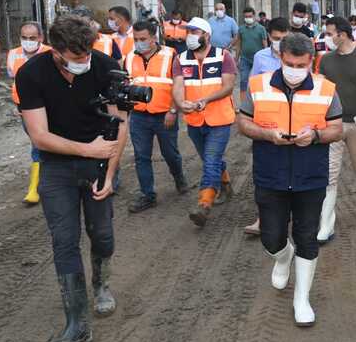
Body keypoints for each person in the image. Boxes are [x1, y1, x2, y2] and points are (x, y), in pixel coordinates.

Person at [16, 14, 127, 342]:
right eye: (78, 58)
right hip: (57, 167)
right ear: (56, 52)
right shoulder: (31, 74)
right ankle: (76, 323)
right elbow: (39, 136)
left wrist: (109, 173)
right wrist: (85, 148)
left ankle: (101, 284)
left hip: (98, 163)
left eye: (88, 54)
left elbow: (120, 122)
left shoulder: (106, 65)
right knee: (64, 240)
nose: (85, 62)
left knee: (102, 233)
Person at [238, 33, 344, 325]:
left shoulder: (326, 89)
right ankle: (282, 257)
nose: (294, 69)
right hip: (270, 174)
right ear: (279, 59)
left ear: (312, 61)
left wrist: (317, 135)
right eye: (288, 63)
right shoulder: (258, 85)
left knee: (307, 236)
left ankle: (302, 299)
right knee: (272, 236)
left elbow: (338, 129)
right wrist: (266, 134)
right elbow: (243, 122)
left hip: (310, 176)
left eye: (301, 64)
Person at [316, 16, 356, 242]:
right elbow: (321, 90)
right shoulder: (325, 60)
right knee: (329, 174)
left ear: (342, 34)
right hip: (332, 123)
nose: (327, 37)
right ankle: (326, 224)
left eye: (329, 33)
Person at [171, 17, 237, 226]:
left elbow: (228, 86)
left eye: (194, 32)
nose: (190, 36)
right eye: (188, 32)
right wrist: (181, 103)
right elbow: (178, 86)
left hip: (219, 118)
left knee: (210, 158)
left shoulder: (223, 56)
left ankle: (204, 203)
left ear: (206, 35)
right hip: (194, 120)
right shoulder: (180, 59)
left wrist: (205, 100)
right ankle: (225, 182)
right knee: (211, 159)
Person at [124, 20, 188, 213]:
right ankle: (147, 195)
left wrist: (173, 110)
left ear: (154, 37)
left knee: (170, 153)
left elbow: (179, 86)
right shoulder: (129, 57)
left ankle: (178, 177)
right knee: (141, 156)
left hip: (165, 115)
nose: (139, 42)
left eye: (143, 39)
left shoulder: (171, 55)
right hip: (138, 116)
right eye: (136, 39)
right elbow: (125, 83)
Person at [244, 17, 291, 236]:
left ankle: (295, 214)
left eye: (284, 38)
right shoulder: (260, 57)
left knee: (293, 170)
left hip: (293, 121)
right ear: (268, 37)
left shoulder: (296, 57)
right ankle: (262, 219)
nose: (279, 42)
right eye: (275, 38)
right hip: (265, 123)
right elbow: (253, 87)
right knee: (264, 172)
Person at [7, 22, 51, 204]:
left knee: (41, 145)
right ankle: (40, 185)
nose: (28, 41)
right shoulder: (13, 54)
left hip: (48, 108)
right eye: (24, 38)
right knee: (38, 144)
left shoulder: (50, 53)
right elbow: (14, 81)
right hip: (24, 110)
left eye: (32, 38)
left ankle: (36, 188)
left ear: (40, 38)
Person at [233, 6, 269, 102]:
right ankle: (243, 104)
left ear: (254, 16)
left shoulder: (261, 29)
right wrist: (236, 59)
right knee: (244, 80)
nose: (247, 18)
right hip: (245, 59)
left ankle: (258, 101)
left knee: (258, 80)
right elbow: (239, 44)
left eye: (249, 16)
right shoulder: (241, 29)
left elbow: (265, 44)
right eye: (246, 16)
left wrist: (266, 58)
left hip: (258, 59)